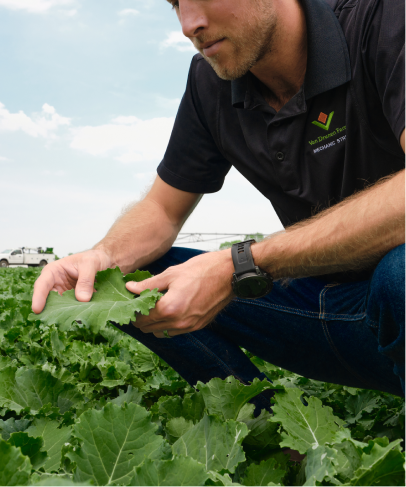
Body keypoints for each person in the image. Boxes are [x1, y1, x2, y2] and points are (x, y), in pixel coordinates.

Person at [32, 0, 406, 409]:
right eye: (176, 3)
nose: (189, 25)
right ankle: (276, 438)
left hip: (395, 301)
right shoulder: (211, 80)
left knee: (399, 275)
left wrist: (241, 264)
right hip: (329, 313)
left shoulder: (383, 19)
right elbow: (162, 208)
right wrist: (102, 256)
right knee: (135, 279)